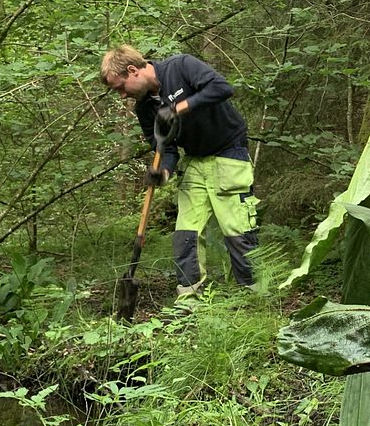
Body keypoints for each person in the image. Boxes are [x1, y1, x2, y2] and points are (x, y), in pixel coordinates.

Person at [101, 45, 260, 298]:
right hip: (194, 160)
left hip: (229, 153)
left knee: (237, 230)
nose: (121, 95)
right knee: (186, 234)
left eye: (120, 87)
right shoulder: (144, 108)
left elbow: (222, 88)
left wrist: (177, 108)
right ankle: (190, 297)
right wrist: (162, 173)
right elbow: (165, 148)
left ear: (133, 71)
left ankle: (252, 294)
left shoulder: (180, 66)